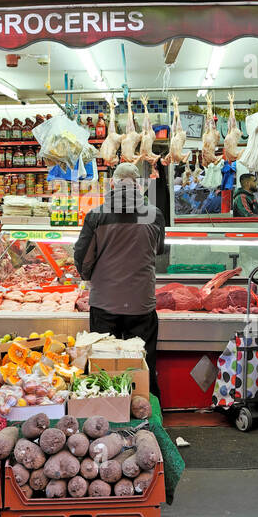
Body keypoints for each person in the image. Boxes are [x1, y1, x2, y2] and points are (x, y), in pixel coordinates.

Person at [74, 162, 165, 398]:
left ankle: (108, 415)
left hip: (105, 303)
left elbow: (82, 258)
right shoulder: (155, 215)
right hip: (141, 303)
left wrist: (91, 278)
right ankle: (148, 411)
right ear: (138, 185)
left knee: (104, 366)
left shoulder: (95, 215)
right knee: (143, 365)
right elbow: (159, 250)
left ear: (113, 184)